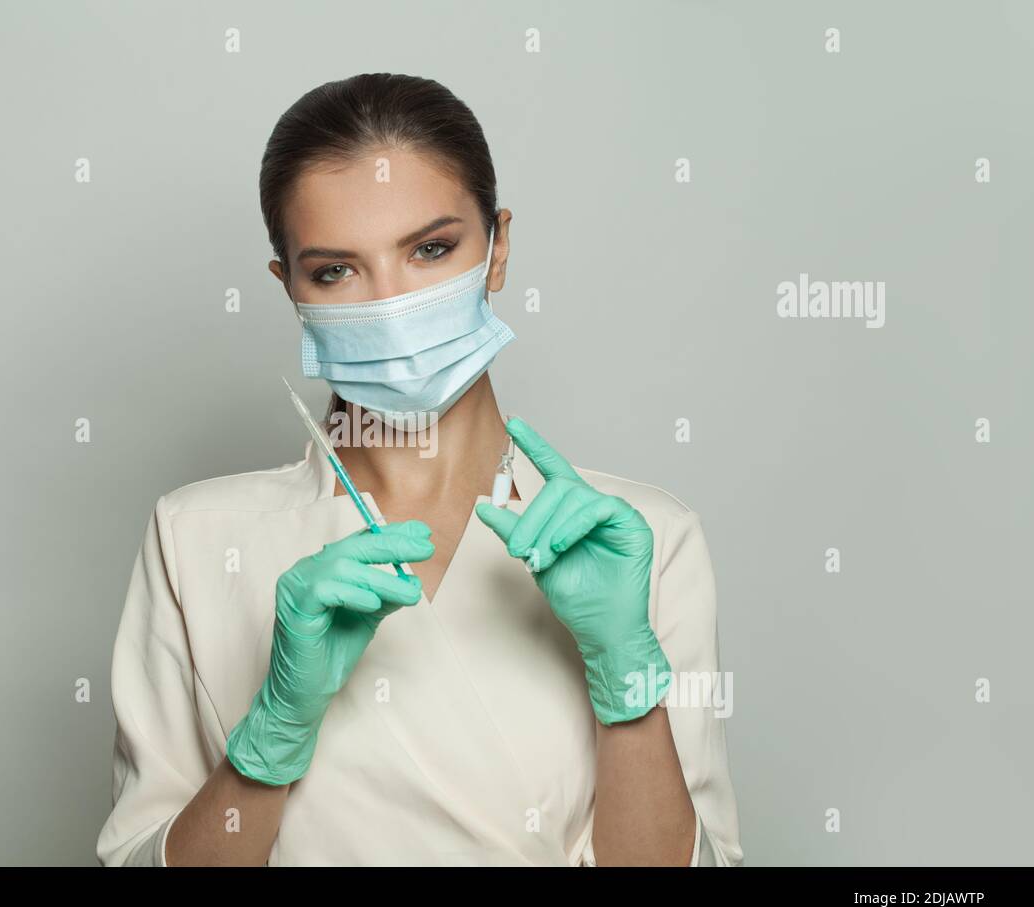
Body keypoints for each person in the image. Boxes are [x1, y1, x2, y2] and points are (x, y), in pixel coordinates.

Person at [95, 73, 744, 866]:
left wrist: (627, 689)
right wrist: (270, 742)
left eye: (431, 250)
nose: (392, 306)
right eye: (337, 270)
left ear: (498, 247)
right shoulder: (195, 538)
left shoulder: (640, 541)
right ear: (289, 287)